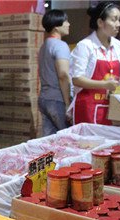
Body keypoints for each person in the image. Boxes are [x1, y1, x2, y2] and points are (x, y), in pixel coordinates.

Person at [70, 2, 120, 125]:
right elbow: (77, 79)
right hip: (88, 108)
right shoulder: (85, 46)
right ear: (100, 22)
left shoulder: (118, 45)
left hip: (112, 108)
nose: (118, 24)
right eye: (114, 19)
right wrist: (105, 84)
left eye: (119, 19)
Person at [38, 9, 71, 137]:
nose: (68, 24)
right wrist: (67, 103)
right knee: (67, 139)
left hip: (44, 99)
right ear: (56, 26)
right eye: (66, 21)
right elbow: (63, 75)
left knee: (49, 141)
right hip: (57, 100)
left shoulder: (44, 46)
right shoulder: (60, 45)